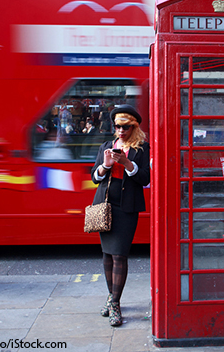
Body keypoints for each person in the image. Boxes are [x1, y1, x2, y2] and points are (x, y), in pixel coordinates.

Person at [90, 104, 150, 326]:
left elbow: (145, 178)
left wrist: (126, 163)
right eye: (117, 126)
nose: (120, 131)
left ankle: (114, 304)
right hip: (104, 205)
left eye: (125, 127)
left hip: (127, 208)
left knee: (120, 255)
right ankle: (112, 299)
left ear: (133, 127)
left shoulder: (142, 149)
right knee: (107, 255)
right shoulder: (106, 146)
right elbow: (94, 177)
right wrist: (105, 166)